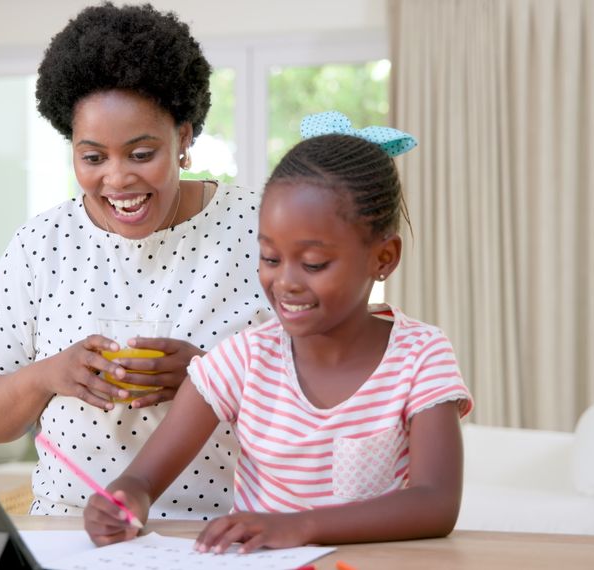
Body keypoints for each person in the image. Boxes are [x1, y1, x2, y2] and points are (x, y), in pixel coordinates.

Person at [83, 111, 474, 551]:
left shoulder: (421, 355)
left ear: (383, 258)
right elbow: (142, 479)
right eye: (270, 258)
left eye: (313, 264)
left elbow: (436, 504)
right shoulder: (242, 360)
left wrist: (299, 527)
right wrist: (124, 500)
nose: (285, 281)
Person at [0, 3, 272, 519]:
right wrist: (47, 376)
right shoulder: (42, 245)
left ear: (184, 138)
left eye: (142, 154)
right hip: (68, 531)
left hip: (222, 531)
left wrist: (210, 378)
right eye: (93, 157)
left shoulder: (259, 229)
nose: (117, 180)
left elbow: (332, 399)